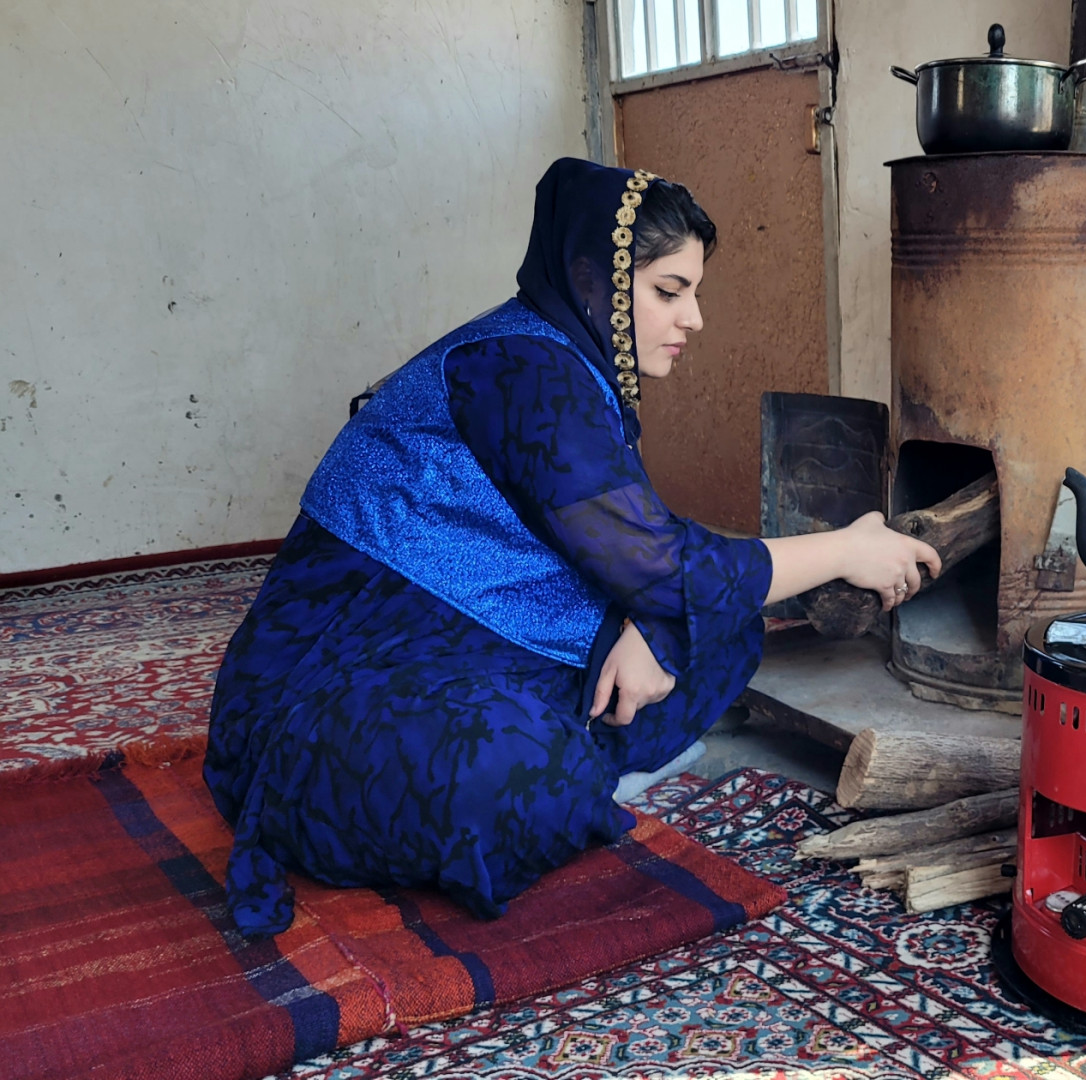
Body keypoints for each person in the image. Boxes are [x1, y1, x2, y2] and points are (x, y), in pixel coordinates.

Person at [205, 158, 939, 937]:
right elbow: (660, 563)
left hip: (467, 623)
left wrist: (653, 626)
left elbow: (637, 550)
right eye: (669, 292)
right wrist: (845, 549)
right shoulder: (527, 372)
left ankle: (582, 740)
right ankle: (565, 763)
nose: (694, 319)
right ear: (593, 279)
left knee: (718, 628)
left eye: (694, 293)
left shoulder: (562, 357)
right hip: (333, 671)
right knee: (515, 771)